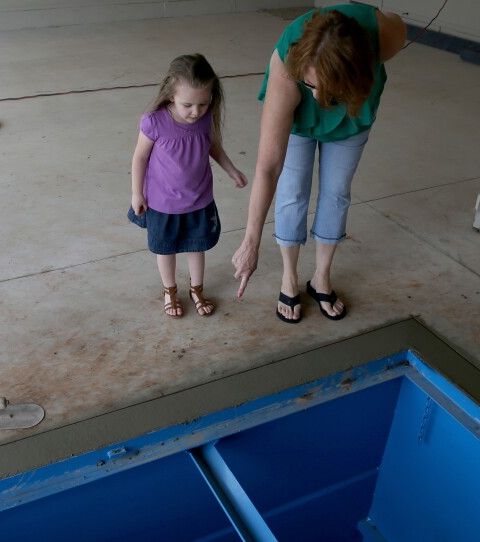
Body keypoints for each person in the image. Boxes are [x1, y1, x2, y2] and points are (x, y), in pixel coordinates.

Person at [231, 4, 406, 323]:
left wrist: (345, 90)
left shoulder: (385, 36)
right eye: (310, 85)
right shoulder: (288, 66)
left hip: (352, 111)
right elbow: (268, 167)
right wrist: (251, 241)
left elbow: (396, 28)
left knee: (337, 192)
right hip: (297, 120)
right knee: (292, 191)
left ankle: (321, 278)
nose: (318, 97)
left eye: (327, 89)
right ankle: (289, 277)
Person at [130, 53, 248, 318]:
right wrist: (137, 193)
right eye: (188, 105)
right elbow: (140, 157)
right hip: (163, 202)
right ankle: (170, 290)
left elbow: (212, 146)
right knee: (166, 248)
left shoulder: (205, 118)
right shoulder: (154, 122)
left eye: (203, 104)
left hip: (198, 198)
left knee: (197, 246)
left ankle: (197, 288)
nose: (196, 112)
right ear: (171, 95)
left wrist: (231, 169)